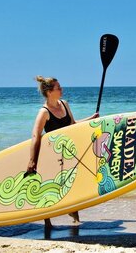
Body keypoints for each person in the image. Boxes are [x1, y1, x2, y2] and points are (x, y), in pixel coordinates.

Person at [27, 76, 98, 228]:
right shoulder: (44, 112)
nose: (62, 89)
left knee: (73, 183)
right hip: (52, 155)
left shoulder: (64, 104)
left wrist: (91, 119)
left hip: (68, 153)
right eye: (58, 88)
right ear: (49, 92)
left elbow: (73, 124)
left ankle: (75, 218)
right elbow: (35, 135)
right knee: (49, 188)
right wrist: (32, 160)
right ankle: (47, 222)